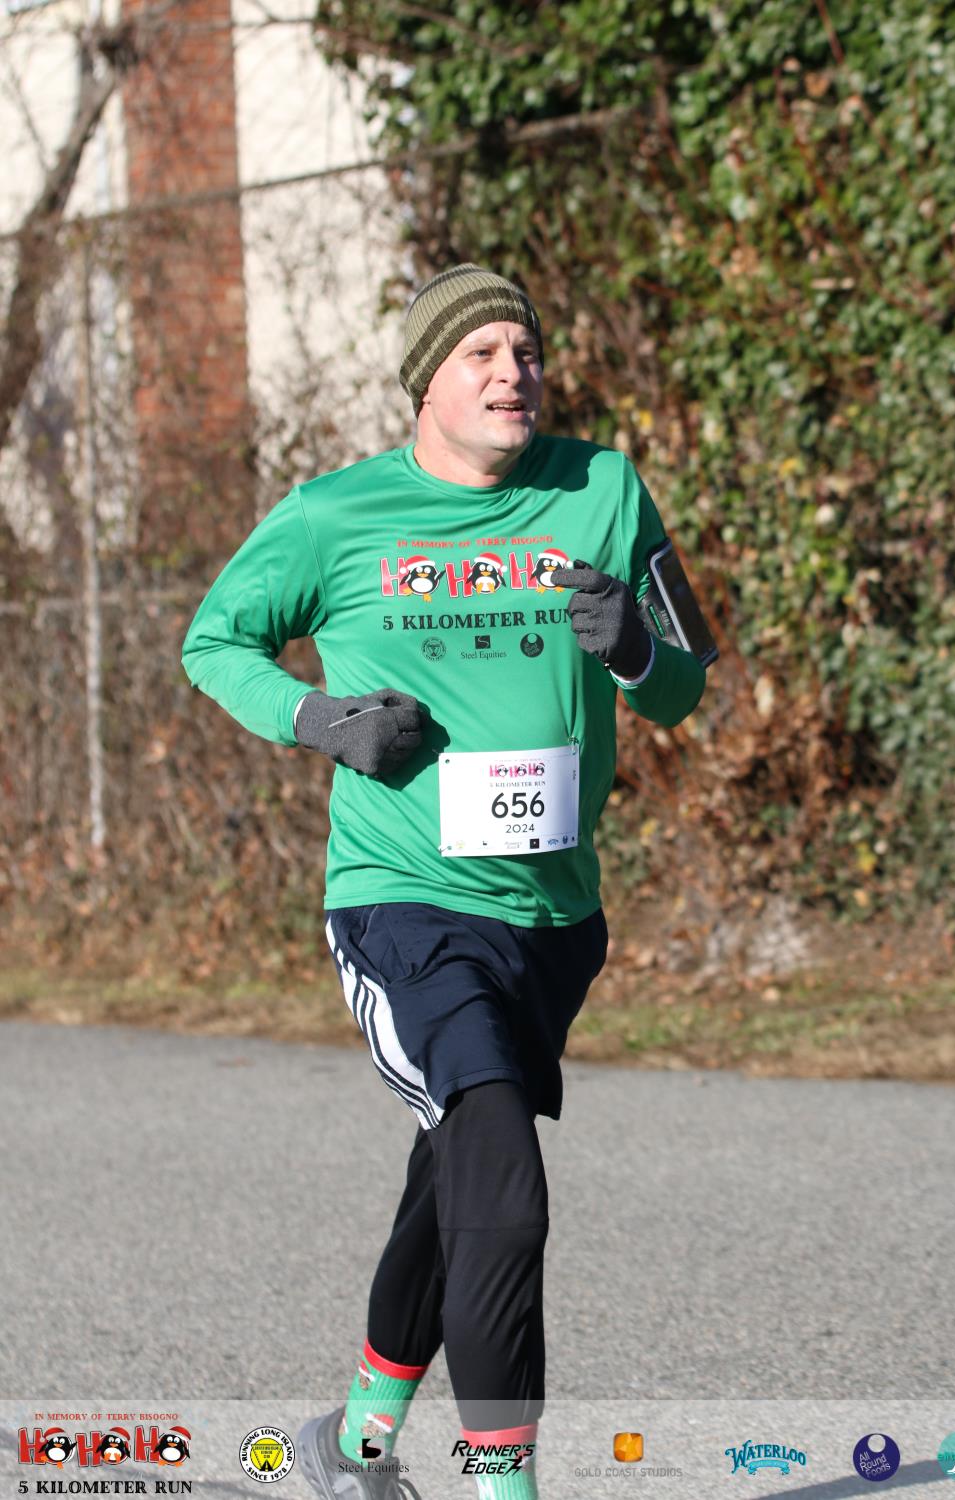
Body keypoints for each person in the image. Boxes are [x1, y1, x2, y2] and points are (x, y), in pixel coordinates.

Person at [181, 265, 707, 1499]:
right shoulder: (335, 516)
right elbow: (214, 640)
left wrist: (637, 648)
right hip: (403, 906)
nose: (512, 374)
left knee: (456, 1177)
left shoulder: (602, 490)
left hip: (554, 917)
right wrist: (320, 718)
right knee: (501, 1184)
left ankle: (351, 1449)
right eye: (481, 354)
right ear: (427, 381)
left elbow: (685, 678)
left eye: (525, 352)